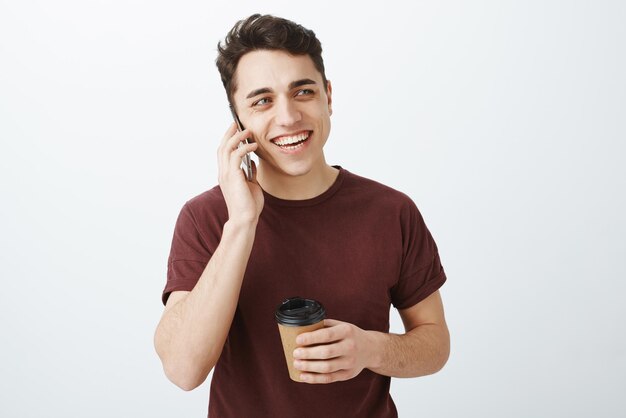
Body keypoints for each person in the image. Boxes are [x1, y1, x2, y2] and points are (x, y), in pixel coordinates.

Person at [154, 14, 450, 418]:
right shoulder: (205, 218)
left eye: (303, 91)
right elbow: (183, 370)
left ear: (328, 95)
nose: (288, 117)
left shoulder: (391, 211)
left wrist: (369, 349)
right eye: (262, 100)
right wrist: (241, 223)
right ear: (237, 121)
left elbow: (435, 344)